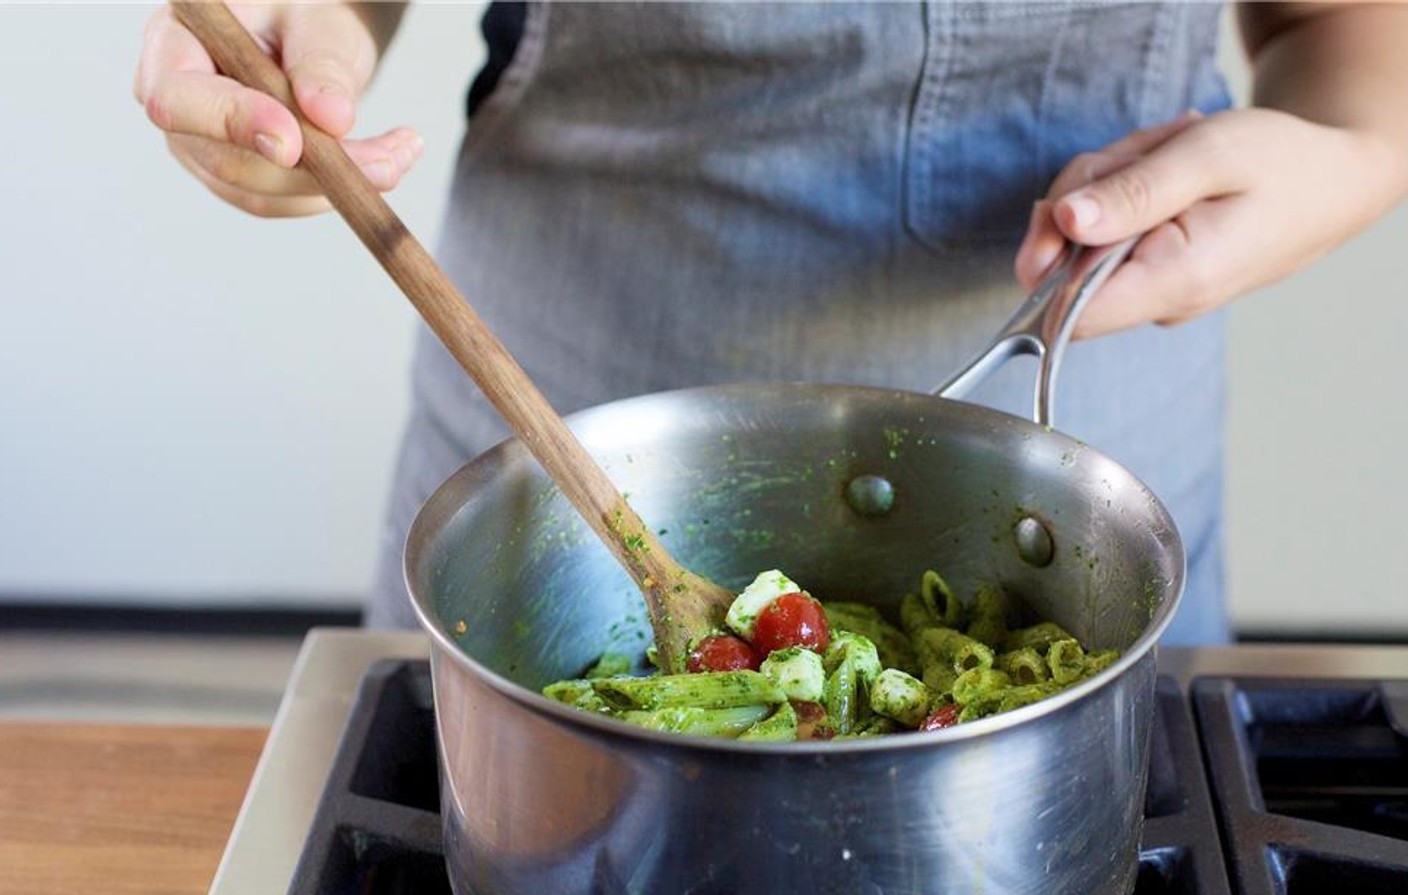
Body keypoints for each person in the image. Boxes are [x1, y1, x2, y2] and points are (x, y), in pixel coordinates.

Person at [134, 2, 1408, 644]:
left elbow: (1339, 23)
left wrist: (1356, 148)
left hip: (1095, 428)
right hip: (564, 413)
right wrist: (304, 35)